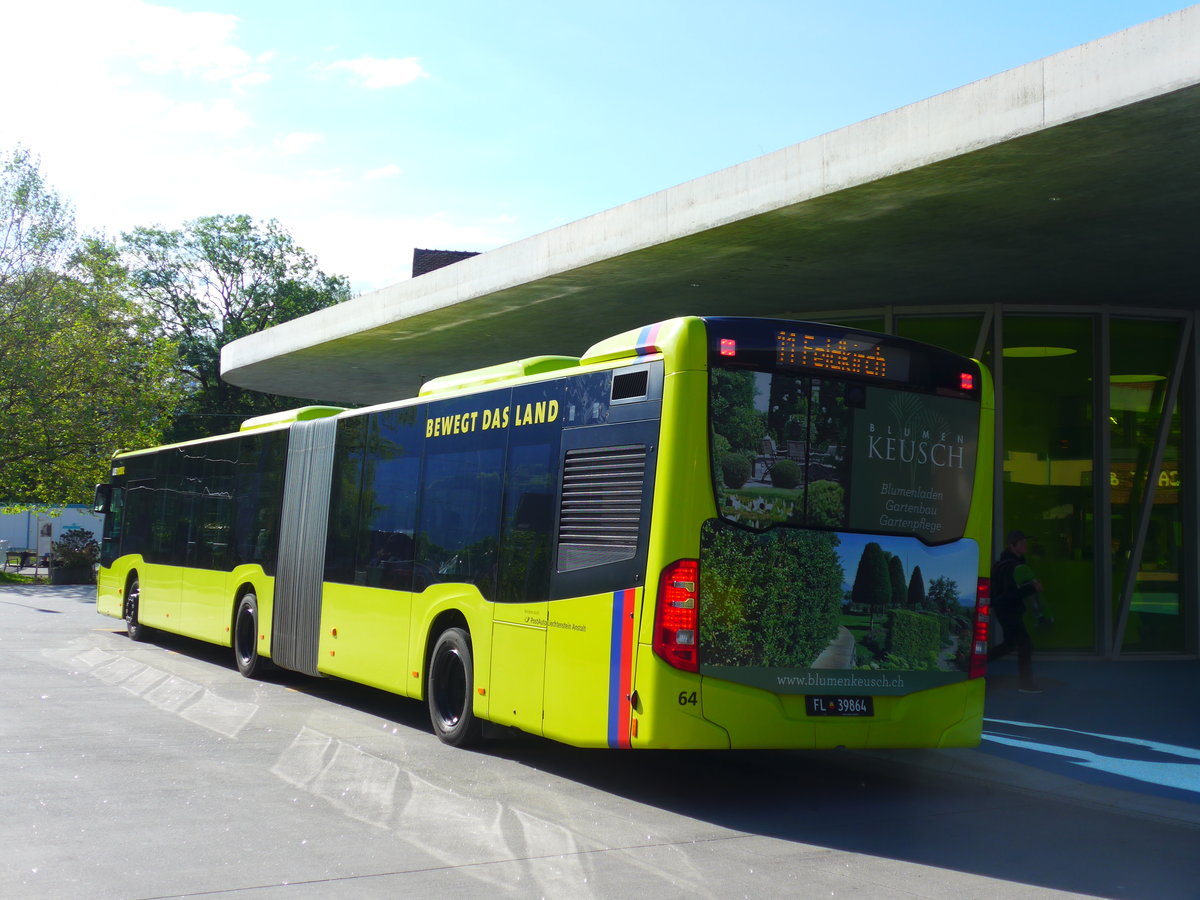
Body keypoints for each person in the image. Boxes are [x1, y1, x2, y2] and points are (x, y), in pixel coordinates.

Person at [987, 530, 1044, 693]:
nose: (1025, 546)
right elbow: (1009, 594)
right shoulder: (1011, 566)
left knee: (1010, 644)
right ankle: (1026, 684)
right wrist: (1032, 588)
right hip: (1008, 611)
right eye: (1022, 543)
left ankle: (971, 664)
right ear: (1012, 546)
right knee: (1025, 645)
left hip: (1005, 610)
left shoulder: (1006, 564)